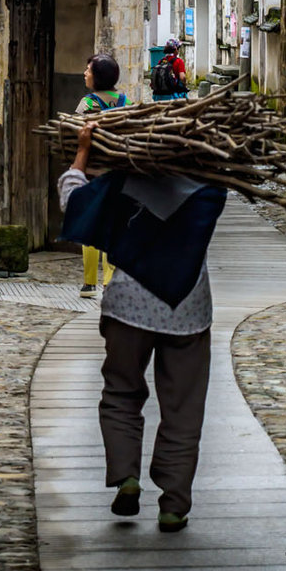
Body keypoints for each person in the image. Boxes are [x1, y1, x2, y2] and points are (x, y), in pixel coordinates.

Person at [58, 126, 225, 533]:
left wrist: (82, 153)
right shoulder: (207, 190)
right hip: (188, 309)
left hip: (128, 306)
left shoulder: (124, 185)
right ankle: (173, 505)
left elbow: (72, 200)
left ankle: (126, 476)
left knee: (121, 392)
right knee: (183, 410)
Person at [75, 53, 129, 298]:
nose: (85, 73)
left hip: (92, 172)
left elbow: (76, 134)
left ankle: (89, 283)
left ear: (97, 77)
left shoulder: (87, 104)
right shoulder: (124, 101)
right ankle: (109, 281)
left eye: (88, 70)